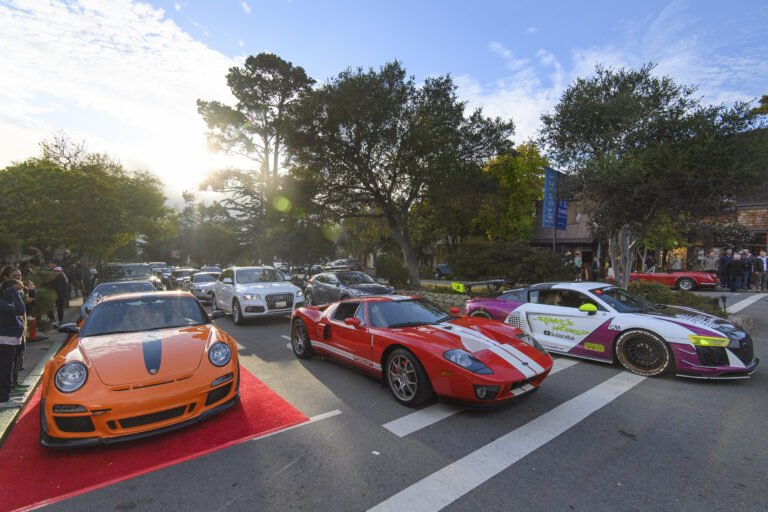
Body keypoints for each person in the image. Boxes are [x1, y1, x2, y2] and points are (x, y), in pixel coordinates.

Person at [0, 279, 26, 409]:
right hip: (5, 340)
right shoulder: (3, 302)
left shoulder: (8, 302)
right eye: (17, 289)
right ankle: (3, 398)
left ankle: (6, 395)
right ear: (7, 290)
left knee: (7, 368)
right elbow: (21, 310)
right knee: (5, 369)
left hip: (10, 339)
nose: (19, 292)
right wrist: (14, 293)